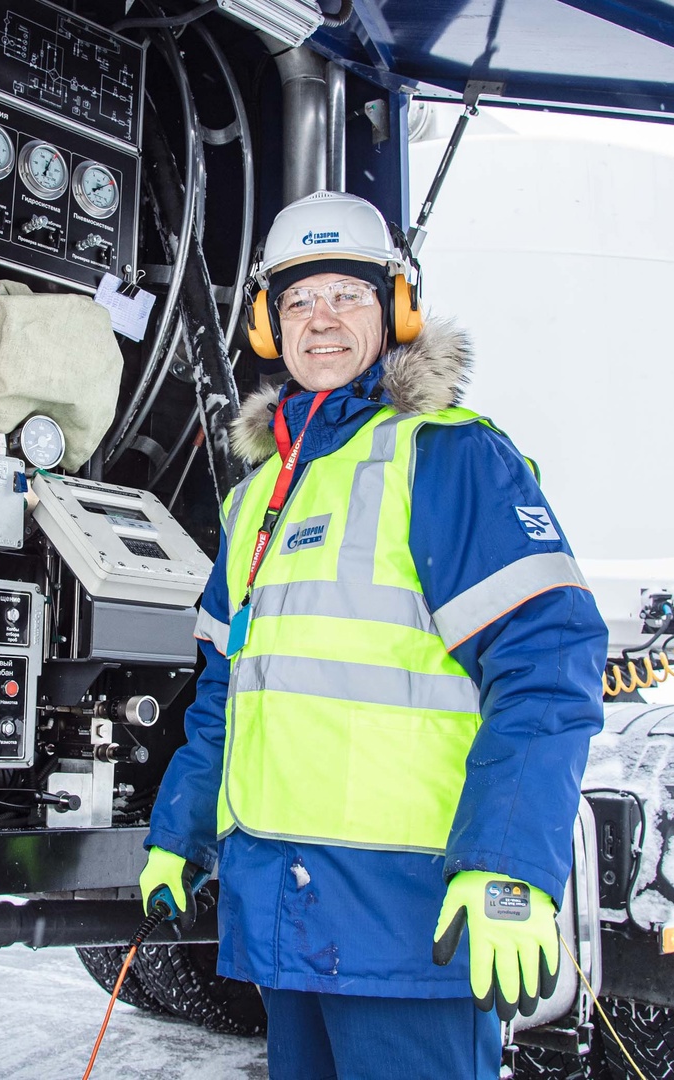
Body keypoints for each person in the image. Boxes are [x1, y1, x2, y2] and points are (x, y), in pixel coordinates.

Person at [140, 190, 608, 1078]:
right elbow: (226, 694)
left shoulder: (448, 457)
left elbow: (549, 668)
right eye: (298, 301)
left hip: (408, 922)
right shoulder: (254, 501)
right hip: (283, 912)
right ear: (271, 327)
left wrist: (507, 864)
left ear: (393, 310)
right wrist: (181, 832)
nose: (321, 321)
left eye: (347, 296)